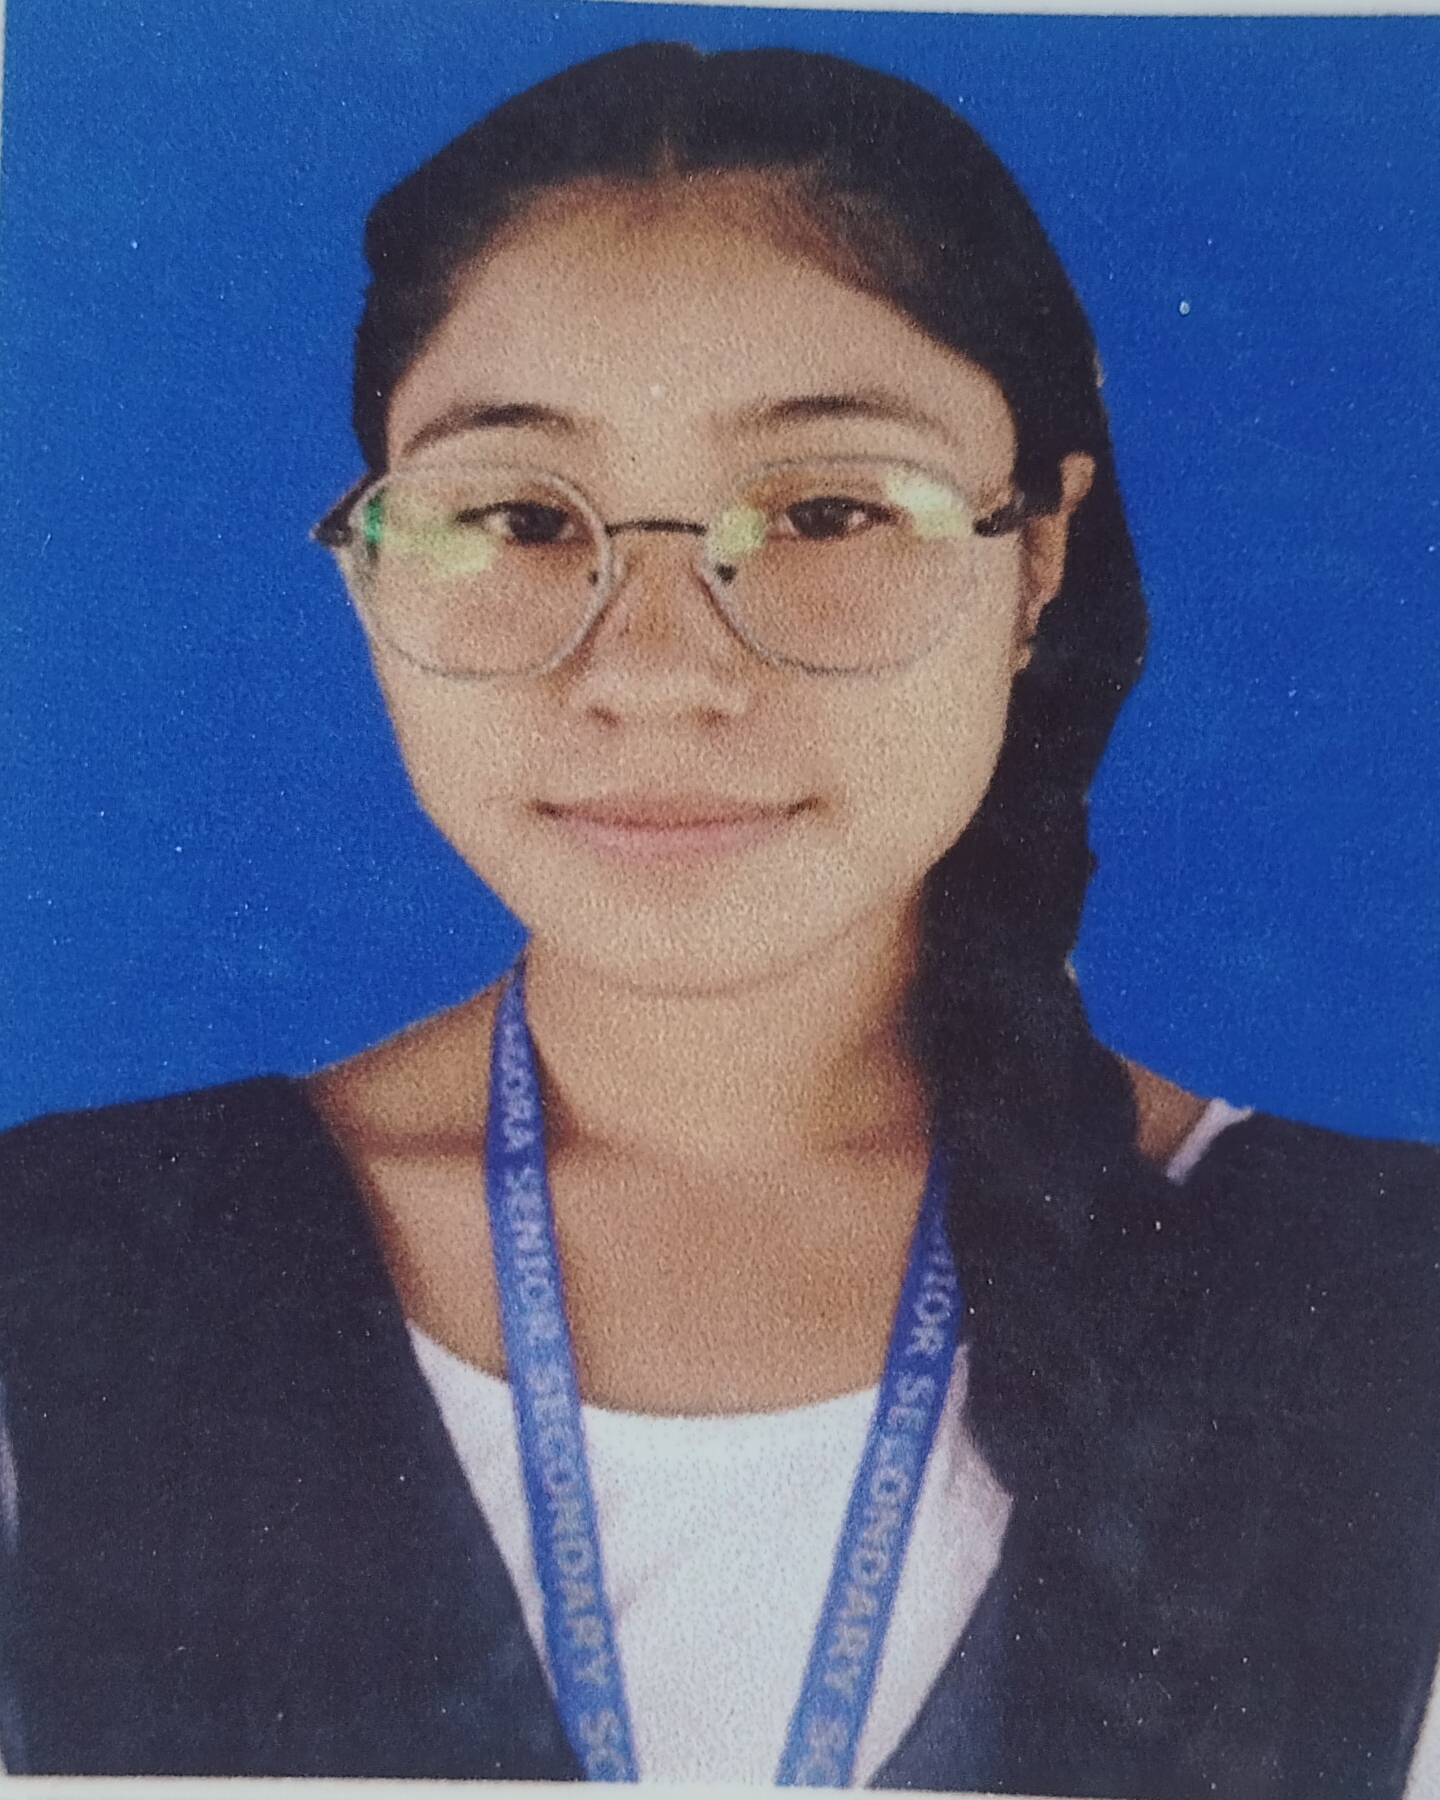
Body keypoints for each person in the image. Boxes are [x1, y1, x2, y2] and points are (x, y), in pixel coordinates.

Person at [2, 39, 1438, 1799]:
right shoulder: (54, 1283)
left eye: (829, 510)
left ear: (1039, 560)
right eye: (518, 515)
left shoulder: (1397, 1315)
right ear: (370, 568)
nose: (659, 671)